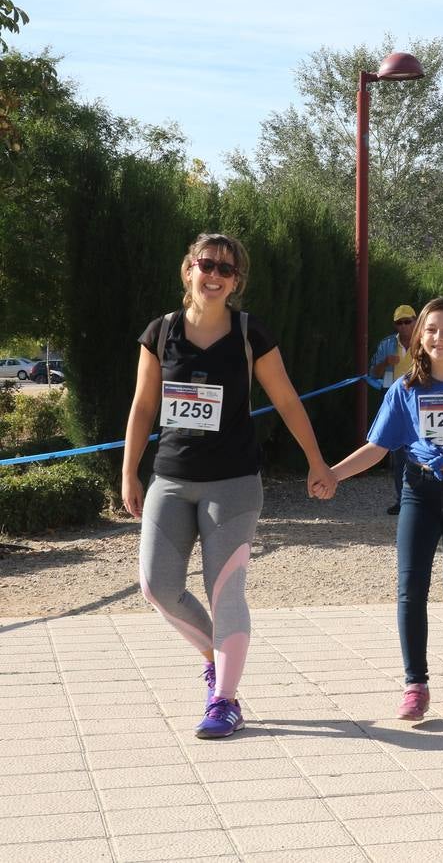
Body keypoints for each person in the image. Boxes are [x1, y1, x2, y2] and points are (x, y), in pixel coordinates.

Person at [122, 233, 336, 739]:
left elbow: (285, 399)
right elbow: (143, 406)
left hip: (234, 484)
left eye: (227, 269)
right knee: (157, 586)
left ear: (236, 280)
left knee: (226, 592)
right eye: (206, 265)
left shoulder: (248, 333)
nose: (215, 275)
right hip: (170, 480)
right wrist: (129, 471)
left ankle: (225, 701)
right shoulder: (160, 332)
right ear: (188, 269)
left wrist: (316, 461)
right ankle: (215, 657)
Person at [331, 297, 443, 718]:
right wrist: (333, 474)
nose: (438, 337)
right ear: (419, 336)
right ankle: (415, 685)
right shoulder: (406, 388)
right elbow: (378, 447)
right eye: (431, 329)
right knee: (410, 591)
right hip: (419, 490)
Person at [369, 304, 417, 515]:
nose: (405, 326)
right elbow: (373, 373)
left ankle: (422, 501)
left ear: (416, 321)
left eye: (408, 321)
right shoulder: (387, 345)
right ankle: (403, 501)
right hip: (395, 403)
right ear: (395, 325)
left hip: (420, 404)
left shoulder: (427, 342)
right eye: (400, 322)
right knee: (398, 456)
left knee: (421, 452)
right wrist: (385, 363)